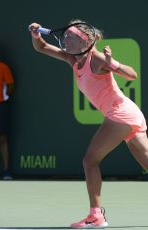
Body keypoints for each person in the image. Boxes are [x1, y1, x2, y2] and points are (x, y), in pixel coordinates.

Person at [29, 19, 148, 228]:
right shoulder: (72, 59)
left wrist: (113, 63)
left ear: (85, 42)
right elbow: (42, 47)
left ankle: (96, 215)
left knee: (89, 161)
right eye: (64, 36)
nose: (65, 39)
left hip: (121, 115)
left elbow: (132, 74)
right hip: (129, 115)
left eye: (70, 37)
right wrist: (35, 35)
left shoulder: (98, 59)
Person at [0, 59, 14, 180]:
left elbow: (10, 86)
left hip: (0, 105)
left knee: (2, 138)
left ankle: (6, 170)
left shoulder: (3, 67)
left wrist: (3, 97)